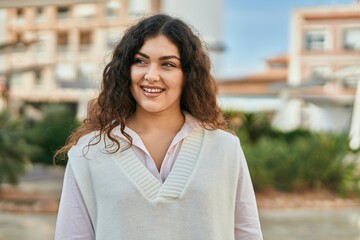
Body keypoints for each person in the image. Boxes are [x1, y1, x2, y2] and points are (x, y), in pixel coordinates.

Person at [54, 13, 263, 240]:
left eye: (168, 64)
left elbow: (247, 234)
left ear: (187, 75)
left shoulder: (225, 148)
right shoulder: (88, 153)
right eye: (140, 61)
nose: (151, 75)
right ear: (126, 69)